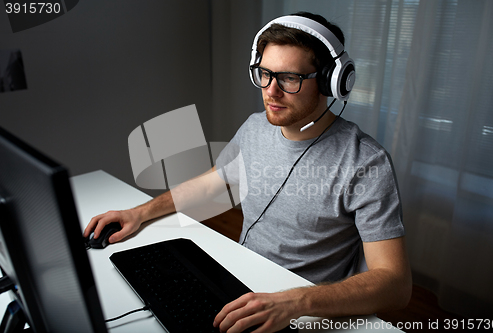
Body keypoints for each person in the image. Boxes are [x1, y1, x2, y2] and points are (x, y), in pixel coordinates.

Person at [84, 12, 412, 333]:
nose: (271, 91)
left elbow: (395, 284)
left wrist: (296, 302)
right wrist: (139, 213)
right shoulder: (256, 127)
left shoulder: (366, 163)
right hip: (237, 282)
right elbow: (216, 181)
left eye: (289, 78)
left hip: (300, 310)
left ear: (330, 82)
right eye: (264, 73)